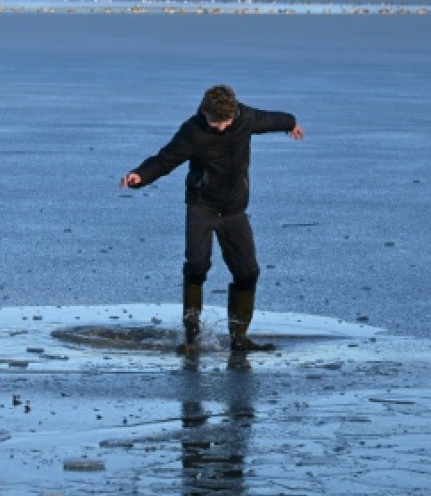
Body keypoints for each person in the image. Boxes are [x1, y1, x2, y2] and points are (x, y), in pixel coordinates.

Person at [120, 85, 304, 354]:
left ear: (234, 113)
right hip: (202, 206)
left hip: (234, 210)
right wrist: (140, 175)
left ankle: (239, 338)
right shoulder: (193, 130)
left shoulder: (246, 118)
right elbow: (165, 160)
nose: (219, 128)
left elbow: (272, 119)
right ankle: (192, 336)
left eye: (225, 122)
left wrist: (291, 124)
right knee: (197, 265)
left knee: (248, 272)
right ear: (204, 112)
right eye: (214, 122)